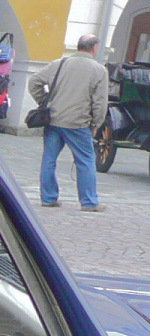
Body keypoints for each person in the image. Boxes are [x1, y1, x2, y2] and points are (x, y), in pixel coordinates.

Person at [29, 33, 110, 211]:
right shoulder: (99, 70)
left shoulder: (59, 64)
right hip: (78, 123)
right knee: (86, 161)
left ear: (78, 46)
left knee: (49, 160)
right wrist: (96, 124)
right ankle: (89, 202)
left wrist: (44, 102)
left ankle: (48, 198)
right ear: (95, 48)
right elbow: (100, 103)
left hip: (54, 120)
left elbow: (34, 81)